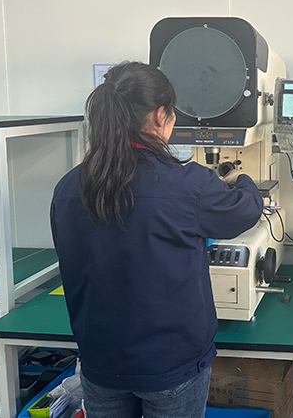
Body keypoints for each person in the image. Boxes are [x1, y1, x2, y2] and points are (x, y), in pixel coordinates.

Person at [50, 61, 263, 418]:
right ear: (160, 116)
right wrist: (242, 180)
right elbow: (246, 211)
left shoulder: (68, 188)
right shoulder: (189, 184)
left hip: (101, 362)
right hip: (171, 365)